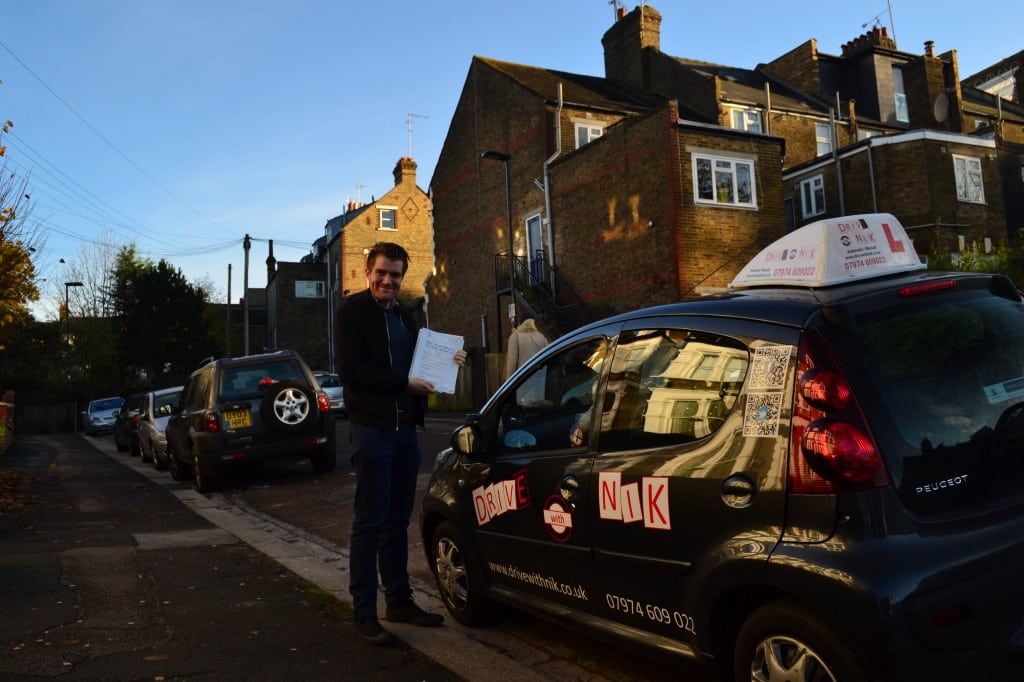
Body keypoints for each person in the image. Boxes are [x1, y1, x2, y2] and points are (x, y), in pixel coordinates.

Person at [336, 241, 467, 645]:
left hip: (406, 431)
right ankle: (363, 613)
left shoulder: (409, 319)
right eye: (382, 273)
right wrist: (402, 383)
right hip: (373, 430)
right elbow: (351, 371)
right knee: (370, 522)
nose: (388, 280)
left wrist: (448, 365)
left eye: (395, 274)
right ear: (367, 272)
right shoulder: (351, 312)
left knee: (397, 521)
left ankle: (398, 601)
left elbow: (418, 367)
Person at [503, 311, 549, 380]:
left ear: (521, 323)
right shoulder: (542, 337)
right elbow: (547, 359)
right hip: (540, 382)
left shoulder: (515, 337)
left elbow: (511, 365)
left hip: (522, 383)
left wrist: (508, 385)